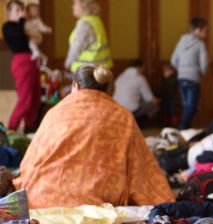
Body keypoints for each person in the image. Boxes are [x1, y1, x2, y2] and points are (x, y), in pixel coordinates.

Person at [13, 65, 174, 209]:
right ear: (106, 88)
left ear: (76, 86)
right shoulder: (123, 116)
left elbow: (30, 162)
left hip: (44, 198)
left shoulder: (55, 112)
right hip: (98, 204)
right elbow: (141, 168)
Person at [2, 0, 41, 132]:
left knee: (36, 97)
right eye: (17, 10)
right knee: (25, 98)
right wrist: (22, 19)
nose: (20, 13)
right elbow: (19, 37)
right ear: (9, 13)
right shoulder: (8, 26)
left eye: (21, 9)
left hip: (32, 60)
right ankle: (12, 128)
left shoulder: (24, 25)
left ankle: (30, 127)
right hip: (21, 61)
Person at [171, 17, 209, 130]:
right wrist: (200, 74)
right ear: (198, 30)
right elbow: (204, 63)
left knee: (187, 106)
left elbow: (174, 60)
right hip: (193, 78)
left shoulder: (181, 42)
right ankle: (182, 127)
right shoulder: (200, 44)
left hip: (181, 78)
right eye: (206, 31)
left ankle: (185, 128)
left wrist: (182, 70)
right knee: (192, 107)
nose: (207, 34)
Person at [65, 0, 113, 73]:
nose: (72, 7)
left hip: (88, 71)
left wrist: (67, 63)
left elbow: (77, 46)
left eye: (75, 4)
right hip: (100, 69)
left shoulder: (85, 24)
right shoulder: (96, 20)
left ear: (84, 6)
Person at [113, 59, 159, 126]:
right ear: (139, 67)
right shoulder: (140, 78)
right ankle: (138, 123)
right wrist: (158, 100)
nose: (143, 70)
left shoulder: (120, 77)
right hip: (132, 110)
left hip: (117, 109)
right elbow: (149, 98)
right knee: (155, 106)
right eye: (143, 68)